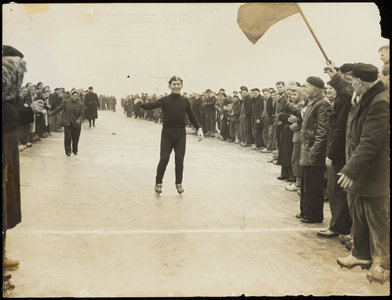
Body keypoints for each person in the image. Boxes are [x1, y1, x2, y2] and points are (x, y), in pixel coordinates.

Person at [328, 63, 389, 284]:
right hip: (359, 171)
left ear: (361, 82)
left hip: (371, 173)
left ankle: (383, 265)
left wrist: (351, 169)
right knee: (360, 216)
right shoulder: (365, 95)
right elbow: (347, 89)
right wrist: (335, 77)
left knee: (377, 220)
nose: (351, 84)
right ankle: (361, 255)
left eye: (353, 80)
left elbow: (370, 142)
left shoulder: (380, 102)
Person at [3, 46, 45, 272]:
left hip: (8, 156)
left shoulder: (10, 95)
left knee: (5, 207)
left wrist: (29, 110)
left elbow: (13, 116)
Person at [134, 76, 204, 194]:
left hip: (181, 133)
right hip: (167, 132)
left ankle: (178, 183)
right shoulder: (165, 100)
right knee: (164, 158)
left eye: (178, 84)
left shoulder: (185, 101)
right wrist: (141, 103)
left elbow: (191, 116)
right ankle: (158, 182)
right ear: (169, 86)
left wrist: (199, 128)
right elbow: (150, 106)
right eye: (174, 84)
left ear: (181, 86)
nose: (176, 86)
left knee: (179, 159)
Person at [278, 76, 332, 224]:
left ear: (314, 89)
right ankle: (306, 212)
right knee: (307, 183)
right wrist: (286, 103)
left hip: (314, 151)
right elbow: (301, 113)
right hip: (308, 150)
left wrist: (315, 152)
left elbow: (323, 131)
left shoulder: (323, 104)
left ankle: (313, 215)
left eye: (306, 87)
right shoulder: (313, 103)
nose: (305, 90)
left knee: (314, 184)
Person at [50, 90, 84, 156]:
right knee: (68, 137)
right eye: (73, 96)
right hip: (67, 122)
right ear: (71, 96)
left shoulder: (81, 104)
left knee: (75, 138)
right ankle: (68, 151)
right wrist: (51, 113)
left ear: (78, 97)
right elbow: (59, 108)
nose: (75, 97)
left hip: (76, 123)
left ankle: (75, 150)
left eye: (76, 96)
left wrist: (79, 119)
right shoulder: (66, 102)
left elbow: (82, 114)